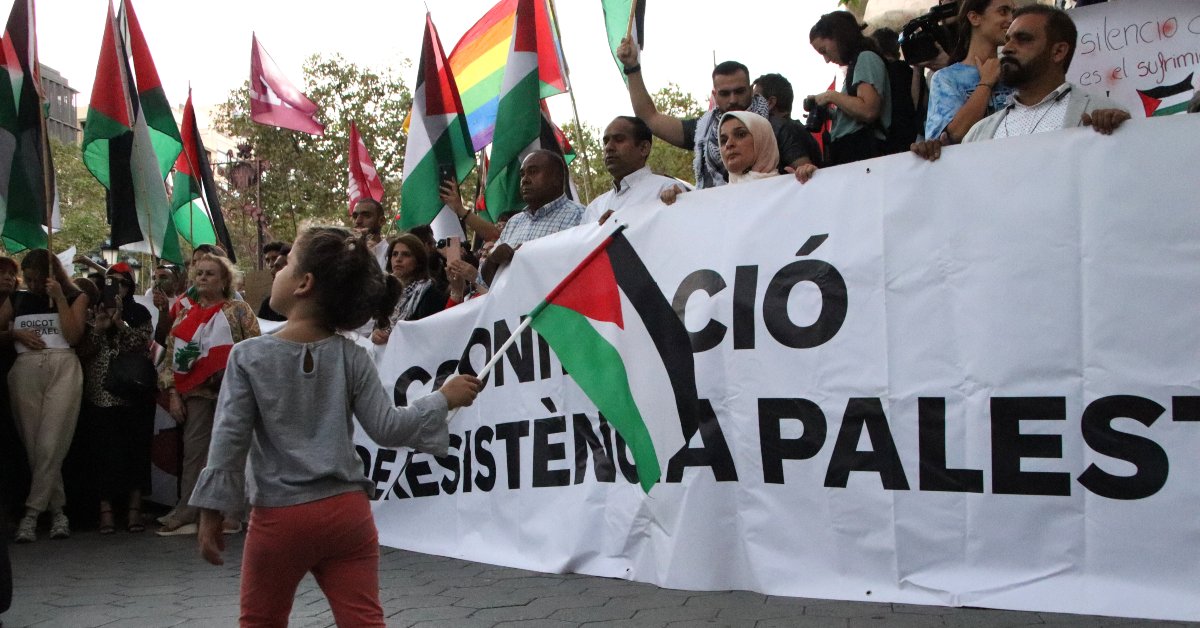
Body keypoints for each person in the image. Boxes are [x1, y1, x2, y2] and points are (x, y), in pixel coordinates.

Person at [190, 227, 482, 626]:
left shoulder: (248, 356)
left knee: (260, 620)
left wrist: (212, 511)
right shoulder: (352, 355)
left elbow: (228, 439)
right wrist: (442, 398)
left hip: (279, 518)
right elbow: (389, 429)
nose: (277, 272)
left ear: (304, 284)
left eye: (287, 264)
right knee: (364, 620)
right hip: (348, 515)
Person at [912, 5, 1130, 159]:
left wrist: (1125, 133)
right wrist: (930, 157)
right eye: (1007, 39)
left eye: (1023, 39)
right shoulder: (981, 132)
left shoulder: (1101, 114)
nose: (1007, 48)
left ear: (1058, 51)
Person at [614, 41, 812, 189]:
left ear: (751, 91)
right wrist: (632, 67)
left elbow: (809, 177)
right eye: (725, 94)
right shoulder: (703, 130)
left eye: (739, 91)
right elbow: (650, 118)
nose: (733, 99)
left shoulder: (779, 128)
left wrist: (805, 174)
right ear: (715, 96)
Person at [157, 254, 260, 536]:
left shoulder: (239, 311)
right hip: (196, 395)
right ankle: (187, 510)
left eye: (210, 274)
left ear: (225, 280)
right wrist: (174, 394)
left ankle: (232, 512)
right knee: (194, 454)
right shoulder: (184, 314)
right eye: (199, 273)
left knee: (233, 452)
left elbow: (255, 349)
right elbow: (171, 360)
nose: (203, 278)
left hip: (234, 393)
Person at [0, 250, 89, 542]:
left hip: (63, 365)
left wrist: (60, 298)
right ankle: (58, 511)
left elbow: (74, 335)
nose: (34, 285)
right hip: (26, 368)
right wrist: (15, 335)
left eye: (39, 279)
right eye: (30, 279)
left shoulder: (77, 296)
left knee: (52, 441)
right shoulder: (17, 299)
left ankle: (31, 513)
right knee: (35, 445)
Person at [76, 263, 155, 535]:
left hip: (133, 390)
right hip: (100, 391)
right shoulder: (91, 310)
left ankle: (134, 509)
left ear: (129, 286)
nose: (115, 287)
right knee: (102, 450)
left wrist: (120, 323)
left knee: (135, 449)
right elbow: (82, 349)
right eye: (109, 282)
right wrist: (99, 327)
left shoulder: (139, 312)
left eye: (120, 282)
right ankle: (105, 511)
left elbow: (140, 344)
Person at [481, 150, 583, 286]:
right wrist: (493, 260)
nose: (525, 180)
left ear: (557, 177)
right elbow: (486, 283)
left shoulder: (580, 217)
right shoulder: (514, 223)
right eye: (522, 174)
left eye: (533, 172)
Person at [807, 11, 894, 167]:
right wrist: (830, 114)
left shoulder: (866, 58)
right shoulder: (857, 64)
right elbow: (856, 114)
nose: (826, 60)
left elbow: (868, 110)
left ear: (838, 36)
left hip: (861, 152)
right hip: (851, 151)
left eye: (824, 50)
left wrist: (831, 96)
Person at [923, 0, 1016, 144]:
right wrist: (986, 83)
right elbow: (951, 136)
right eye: (1003, 11)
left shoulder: (1017, 72)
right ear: (974, 18)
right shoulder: (946, 78)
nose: (1011, 19)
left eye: (1013, 13)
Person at [661, 111, 780, 205]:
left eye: (741, 135)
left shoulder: (790, 191)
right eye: (723, 140)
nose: (729, 144)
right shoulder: (717, 201)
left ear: (762, 139)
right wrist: (681, 204)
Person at [582, 116, 682, 224]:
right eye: (606, 142)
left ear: (643, 148)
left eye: (619, 139)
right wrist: (600, 232)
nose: (608, 147)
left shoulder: (667, 191)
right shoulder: (594, 209)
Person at [371, 234, 447, 346]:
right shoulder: (386, 289)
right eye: (394, 254)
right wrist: (376, 334)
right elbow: (378, 324)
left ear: (418, 261)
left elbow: (428, 334)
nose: (398, 259)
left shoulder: (431, 292)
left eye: (406, 255)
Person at [752, 74, 824, 167]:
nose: (752, 105)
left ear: (770, 103)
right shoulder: (791, 128)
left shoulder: (784, 129)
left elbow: (806, 172)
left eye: (756, 100)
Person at [258, 242, 290, 323]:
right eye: (268, 260)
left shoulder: (304, 302)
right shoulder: (267, 305)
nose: (271, 264)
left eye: (275, 258)